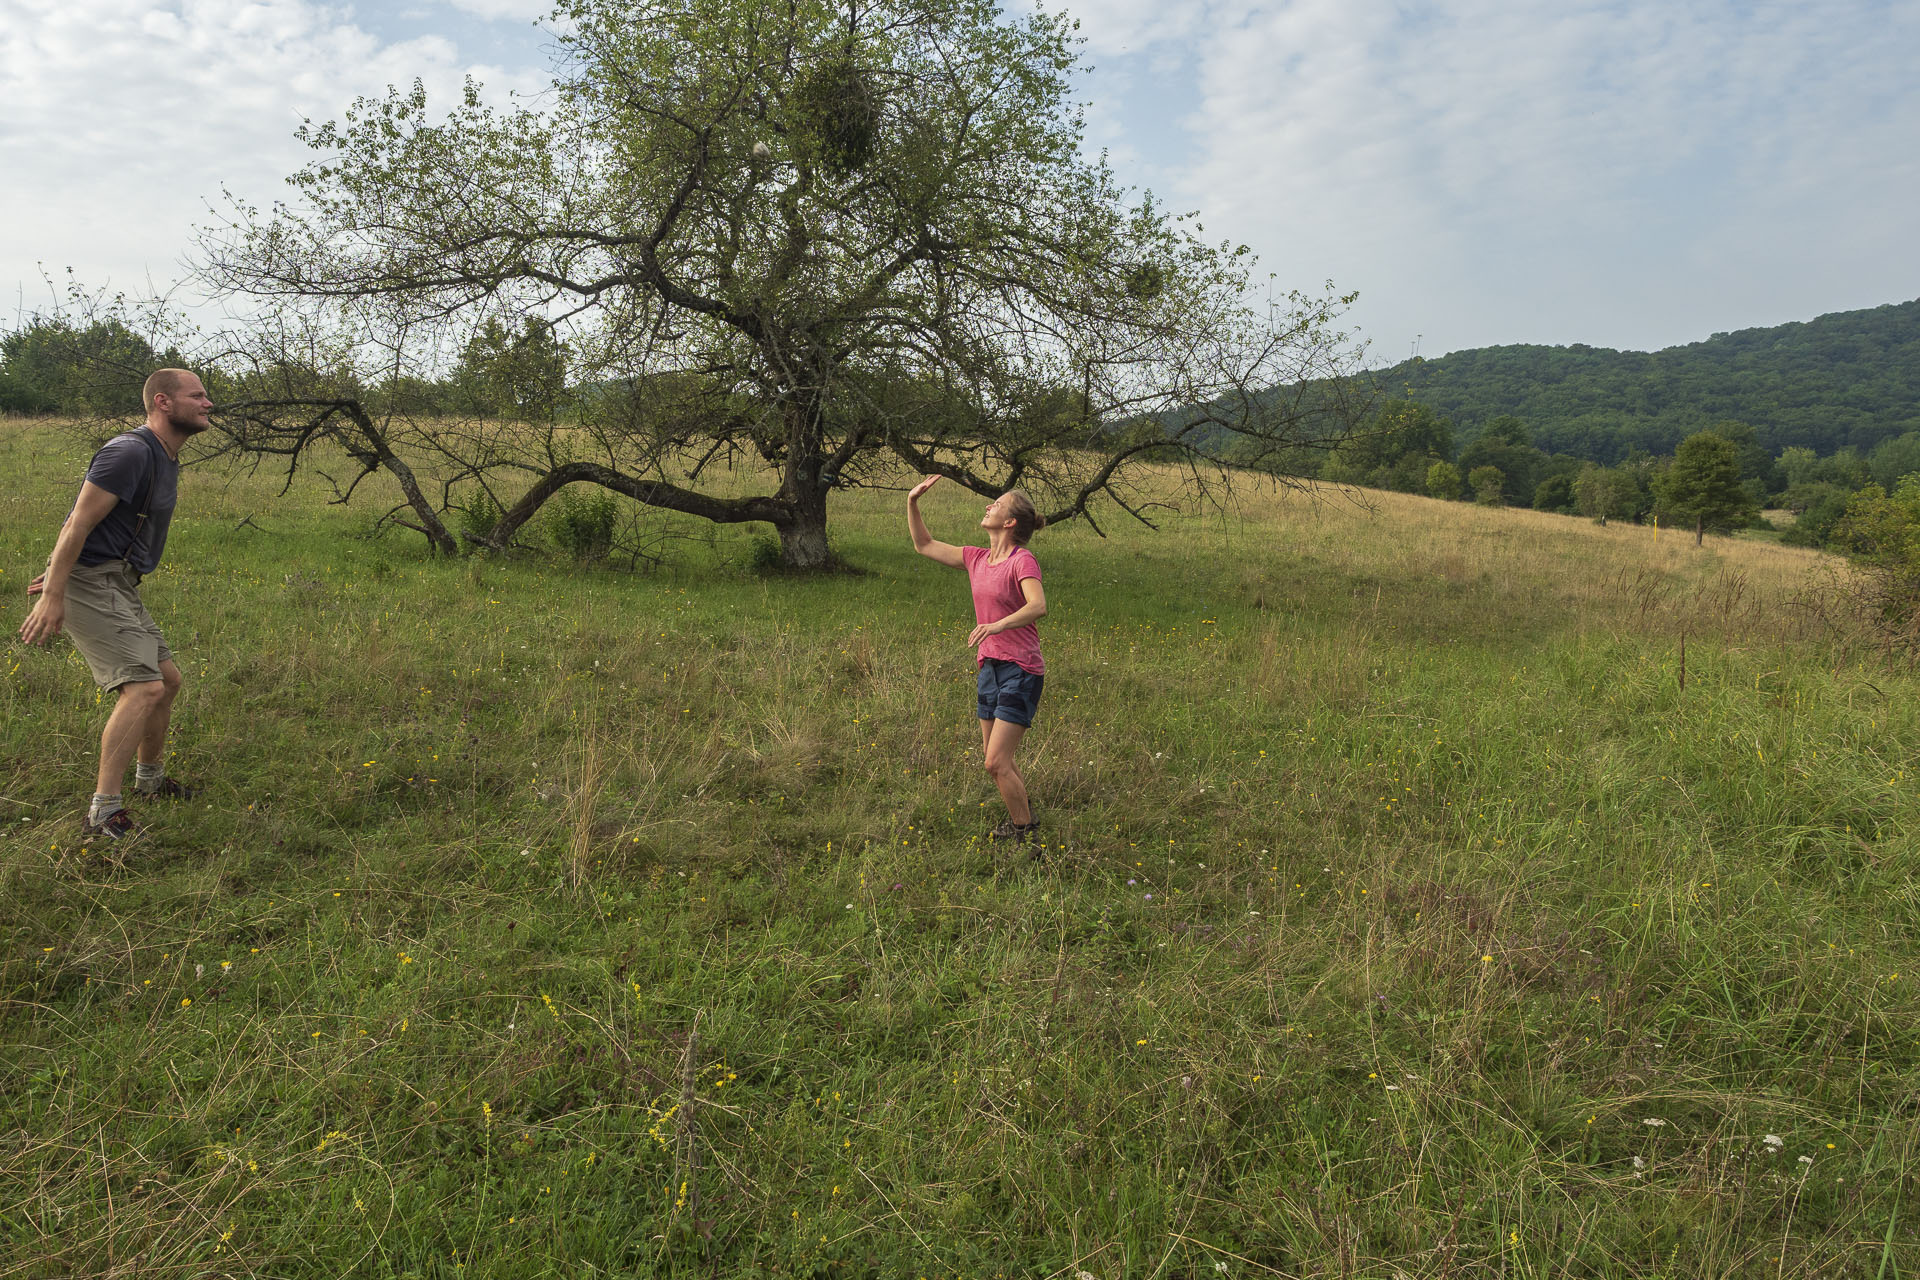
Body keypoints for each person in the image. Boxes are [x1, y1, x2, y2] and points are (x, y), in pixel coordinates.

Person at [19, 369, 211, 840]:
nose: (209, 403)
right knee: (142, 689)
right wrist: (57, 591)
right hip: (92, 581)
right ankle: (103, 815)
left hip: (115, 579)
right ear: (163, 402)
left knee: (167, 681)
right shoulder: (129, 452)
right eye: (199, 395)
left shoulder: (166, 456)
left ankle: (150, 782)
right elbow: (76, 524)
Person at [907, 474, 1048, 851]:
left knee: (995, 762)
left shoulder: (1022, 560)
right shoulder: (977, 558)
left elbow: (1038, 606)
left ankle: (1025, 834)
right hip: (990, 666)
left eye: (997, 504)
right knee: (995, 760)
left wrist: (996, 624)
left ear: (1010, 522)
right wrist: (912, 502)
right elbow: (923, 545)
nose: (989, 505)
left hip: (1021, 668)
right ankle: (1026, 814)